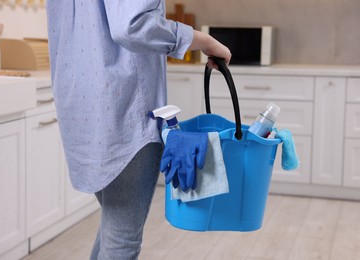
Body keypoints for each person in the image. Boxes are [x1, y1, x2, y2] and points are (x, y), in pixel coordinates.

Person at [46, 1, 231, 259]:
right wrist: (204, 41)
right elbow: (131, 26)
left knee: (114, 228)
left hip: (81, 106)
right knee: (121, 241)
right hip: (124, 111)